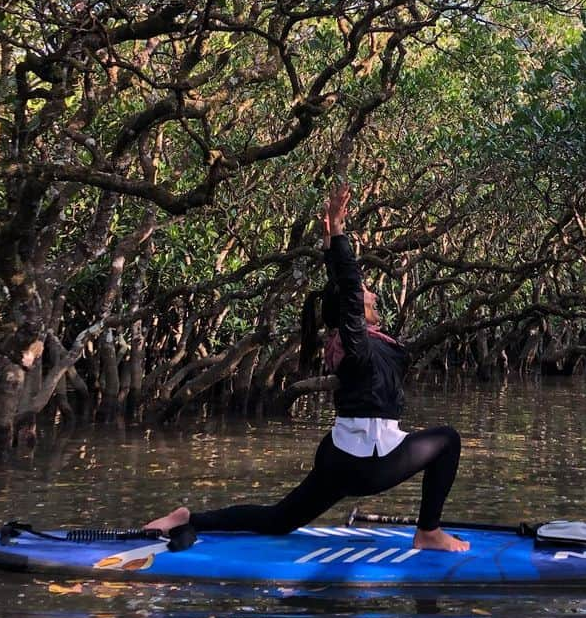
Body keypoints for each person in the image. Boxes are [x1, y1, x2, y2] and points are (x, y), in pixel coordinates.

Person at [146, 185, 469, 552]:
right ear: (353, 308)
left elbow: (342, 288)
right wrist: (338, 233)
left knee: (280, 520)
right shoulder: (354, 343)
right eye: (367, 293)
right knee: (448, 440)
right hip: (368, 461)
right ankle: (428, 532)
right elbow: (347, 288)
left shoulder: (362, 341)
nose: (374, 295)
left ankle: (189, 519)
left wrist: (331, 243)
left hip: (341, 455)